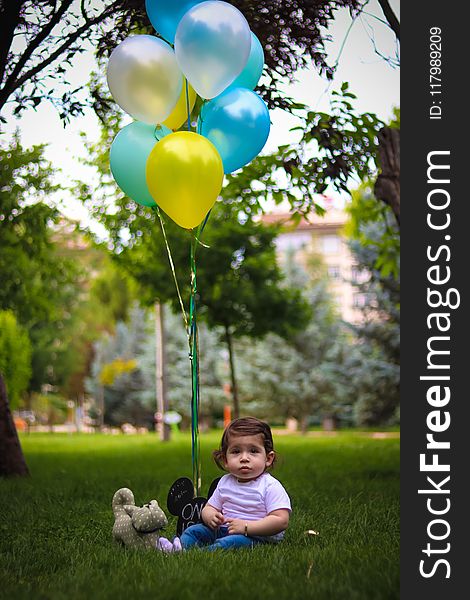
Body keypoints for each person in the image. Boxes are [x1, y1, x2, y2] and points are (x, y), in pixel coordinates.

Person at [157, 416, 291, 552]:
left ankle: (199, 554)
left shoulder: (269, 486)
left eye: (253, 451)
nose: (244, 458)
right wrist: (209, 515)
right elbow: (209, 507)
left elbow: (281, 520)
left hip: (257, 536)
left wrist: (246, 527)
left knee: (229, 542)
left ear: (268, 458)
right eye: (236, 451)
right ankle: (180, 547)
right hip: (224, 529)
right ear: (225, 460)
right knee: (194, 530)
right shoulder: (225, 482)